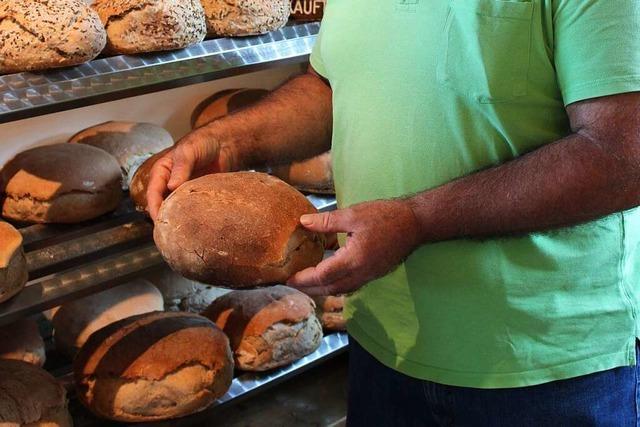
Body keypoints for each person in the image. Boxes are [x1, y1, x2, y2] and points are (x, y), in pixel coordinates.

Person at [148, 0, 640, 425]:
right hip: (384, 340)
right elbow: (330, 89)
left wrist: (417, 220)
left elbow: (625, 152)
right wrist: (226, 141)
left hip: (538, 365)